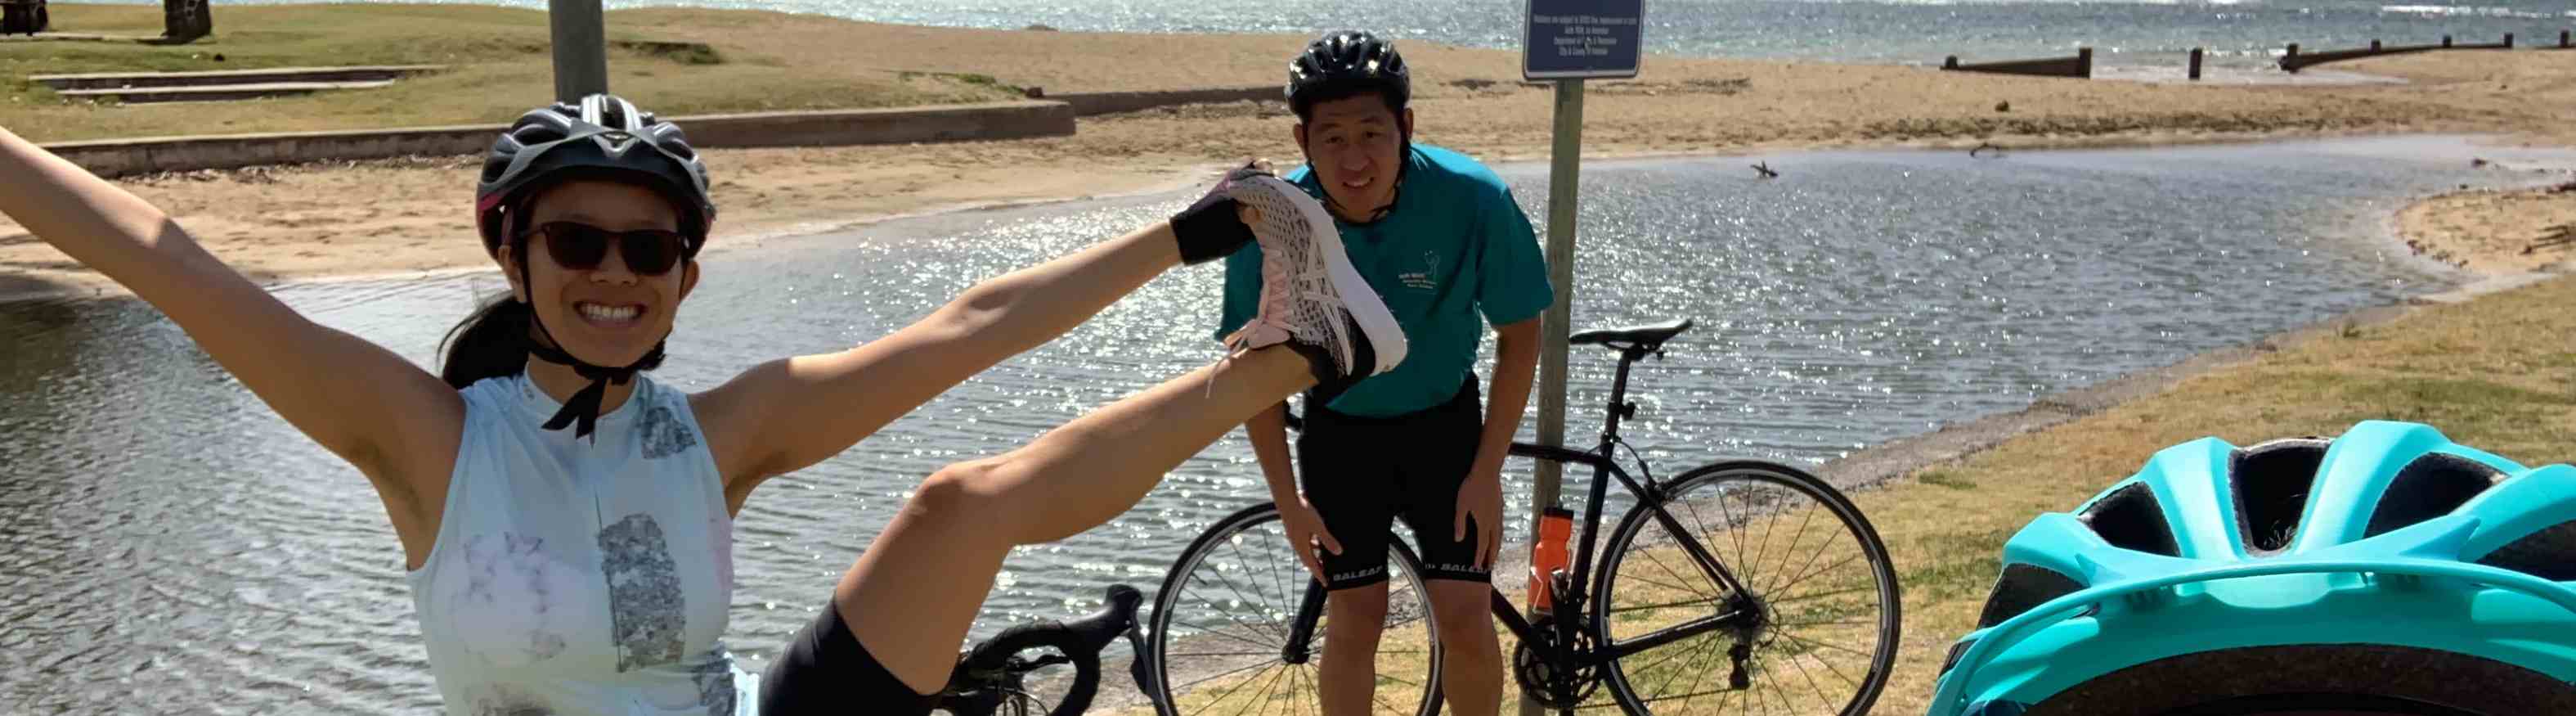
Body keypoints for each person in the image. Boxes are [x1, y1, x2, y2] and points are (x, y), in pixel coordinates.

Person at [0, 92, 1405, 715]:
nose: (614, 276)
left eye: (649, 249)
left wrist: (1190, 234)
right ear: (514, 254)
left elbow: (970, 327)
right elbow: (163, 259)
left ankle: (1304, 353)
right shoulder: (429, 439)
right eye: (577, 242)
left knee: (961, 504)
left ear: (684, 271)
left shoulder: (718, 433)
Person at [1214, 29, 1555, 716]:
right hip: (1341, 433)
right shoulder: (1271, 221)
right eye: (1332, 137)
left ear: (1406, 128)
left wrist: (1486, 471)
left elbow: (1522, 335)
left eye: (1372, 133)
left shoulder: (1474, 198)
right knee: (1355, 615)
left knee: (1464, 612)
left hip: (1444, 427)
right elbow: (1251, 374)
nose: (1354, 159)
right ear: (1302, 140)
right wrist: (1287, 500)